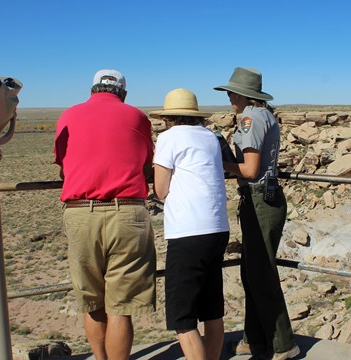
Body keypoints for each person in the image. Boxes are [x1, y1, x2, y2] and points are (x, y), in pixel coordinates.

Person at [54, 69, 156, 360]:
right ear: (122, 93)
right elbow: (146, 165)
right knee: (121, 307)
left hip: (80, 214)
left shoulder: (68, 116)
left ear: (92, 90)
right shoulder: (137, 117)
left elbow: (63, 167)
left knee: (92, 301)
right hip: (127, 214)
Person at [215, 67, 300, 360]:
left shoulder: (252, 118)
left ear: (241, 93)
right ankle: (253, 340)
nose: (228, 97)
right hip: (263, 199)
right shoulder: (262, 116)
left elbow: (250, 171)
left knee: (261, 273)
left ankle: (284, 344)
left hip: (260, 200)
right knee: (252, 272)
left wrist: (222, 162)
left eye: (230, 91)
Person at [151, 88, 230, 360]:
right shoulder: (210, 136)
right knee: (211, 309)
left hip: (188, 231)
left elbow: (160, 189)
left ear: (168, 117)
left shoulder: (168, 138)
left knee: (182, 317)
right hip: (217, 226)